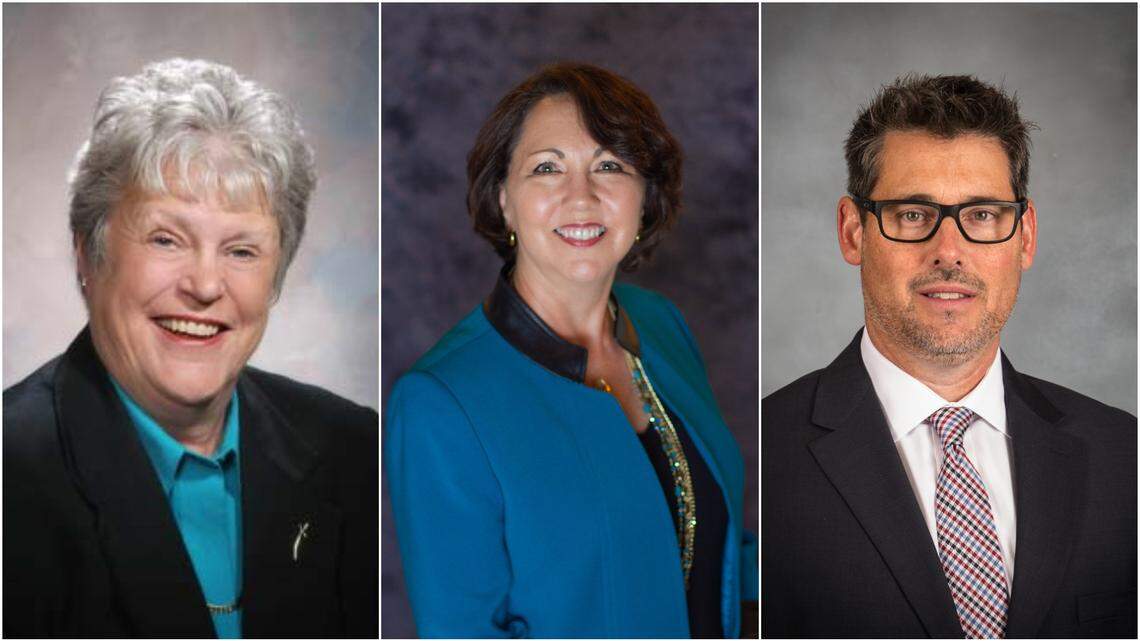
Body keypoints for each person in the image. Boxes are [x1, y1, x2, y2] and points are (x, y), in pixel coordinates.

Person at [3, 58, 378, 638]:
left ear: (276, 276)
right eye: (166, 239)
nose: (205, 286)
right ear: (87, 254)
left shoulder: (357, 452)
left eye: (242, 251)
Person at [385, 62, 757, 638]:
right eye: (546, 168)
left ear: (644, 196)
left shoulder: (662, 326)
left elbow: (725, 548)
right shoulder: (440, 403)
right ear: (504, 199)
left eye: (609, 165)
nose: (581, 196)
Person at [762, 73, 1137, 638]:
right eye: (913, 214)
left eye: (983, 215)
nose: (950, 252)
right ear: (852, 232)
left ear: (1025, 235)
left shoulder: (1124, 458)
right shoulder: (762, 459)